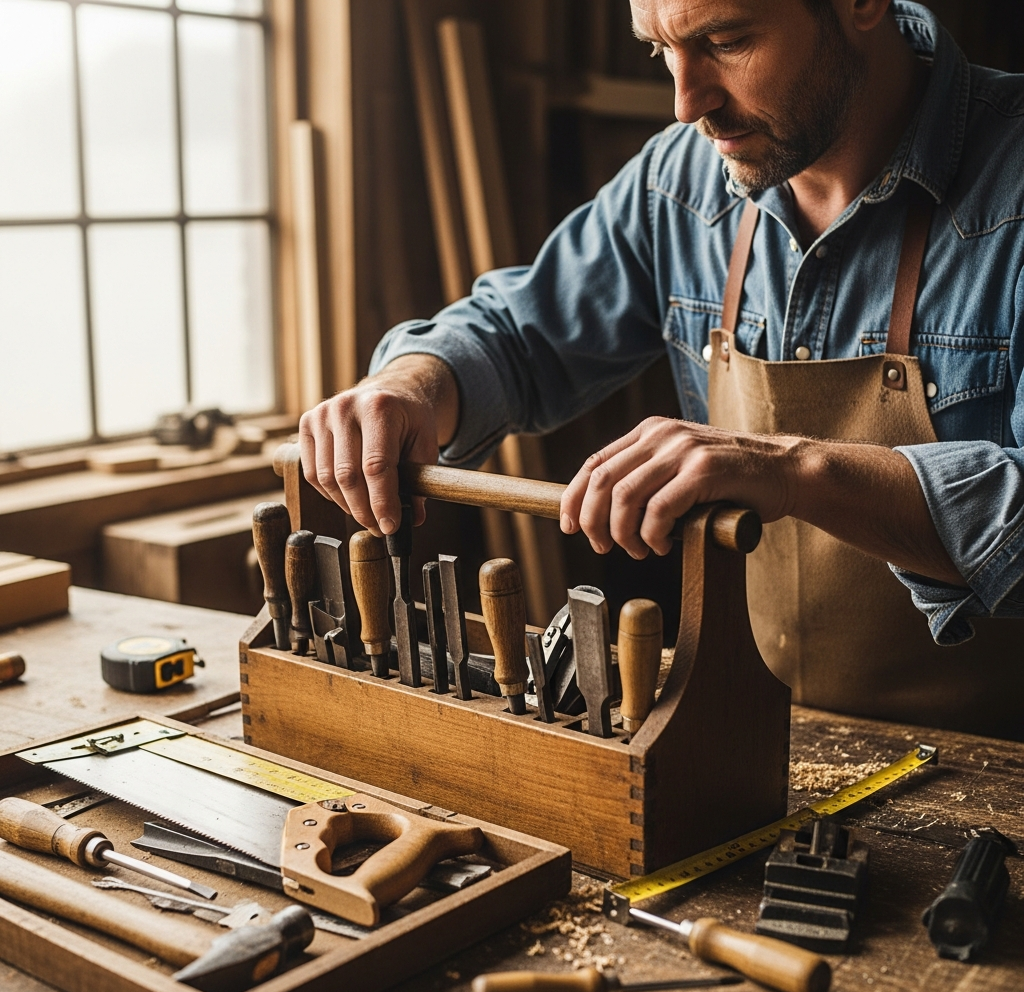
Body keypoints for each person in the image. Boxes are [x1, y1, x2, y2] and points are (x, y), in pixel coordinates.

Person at [298, 0, 1024, 738]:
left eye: (726, 40)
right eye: (661, 51)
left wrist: (798, 471)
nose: (686, 105)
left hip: (996, 762)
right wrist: (410, 385)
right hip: (757, 742)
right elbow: (520, 337)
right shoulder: (682, 183)